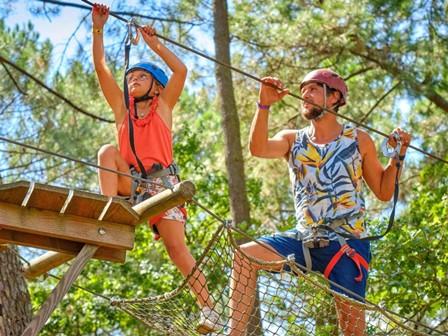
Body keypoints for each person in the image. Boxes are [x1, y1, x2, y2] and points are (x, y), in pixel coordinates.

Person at [228, 69, 411, 335]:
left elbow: (383, 191)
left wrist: (398, 157)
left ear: (335, 97)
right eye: (303, 91)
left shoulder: (359, 140)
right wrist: (264, 104)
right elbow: (258, 148)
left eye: (313, 89)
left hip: (347, 243)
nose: (305, 95)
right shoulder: (293, 140)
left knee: (351, 329)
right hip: (304, 239)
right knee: (244, 255)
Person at [91, 3, 220, 333]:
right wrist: (99, 27)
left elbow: (181, 72)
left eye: (141, 76)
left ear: (157, 87)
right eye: (130, 77)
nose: (132, 80)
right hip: (130, 186)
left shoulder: (163, 107)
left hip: (163, 184)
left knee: (177, 249)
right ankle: (111, 210)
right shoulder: (122, 111)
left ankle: (209, 308)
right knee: (107, 151)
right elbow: (102, 68)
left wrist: (155, 45)